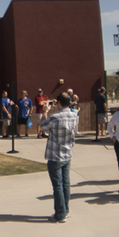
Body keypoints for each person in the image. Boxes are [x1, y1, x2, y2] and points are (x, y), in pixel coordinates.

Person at [41, 92, 77, 223]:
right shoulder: (74, 115)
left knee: (58, 185)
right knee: (66, 184)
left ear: (59, 103)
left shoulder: (55, 117)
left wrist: (45, 112)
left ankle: (60, 214)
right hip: (67, 153)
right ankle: (65, 210)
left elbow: (43, 127)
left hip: (55, 155)